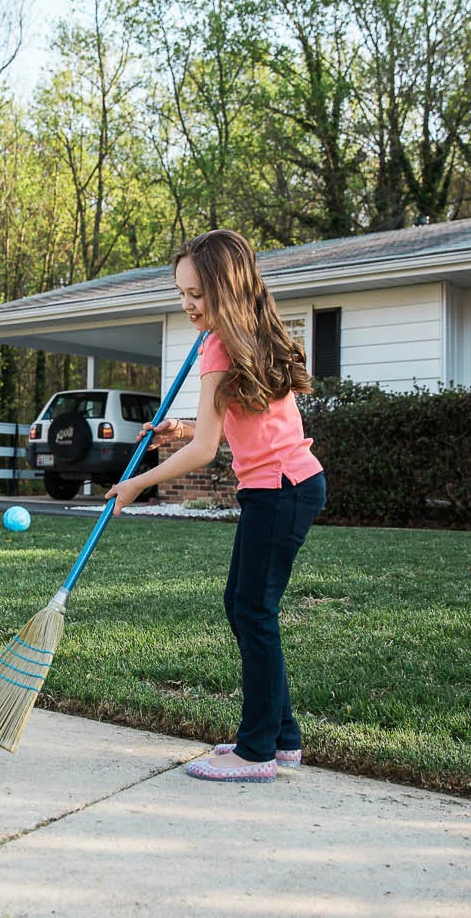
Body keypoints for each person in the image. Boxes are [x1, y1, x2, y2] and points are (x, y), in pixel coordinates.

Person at [106, 229, 326, 784]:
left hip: (279, 490)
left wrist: (136, 484)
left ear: (225, 290)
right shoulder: (248, 334)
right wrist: (182, 428)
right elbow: (237, 426)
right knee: (245, 606)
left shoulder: (219, 345)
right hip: (290, 485)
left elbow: (206, 452)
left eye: (197, 294)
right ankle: (282, 738)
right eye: (181, 293)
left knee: (253, 611)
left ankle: (256, 752)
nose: (187, 304)